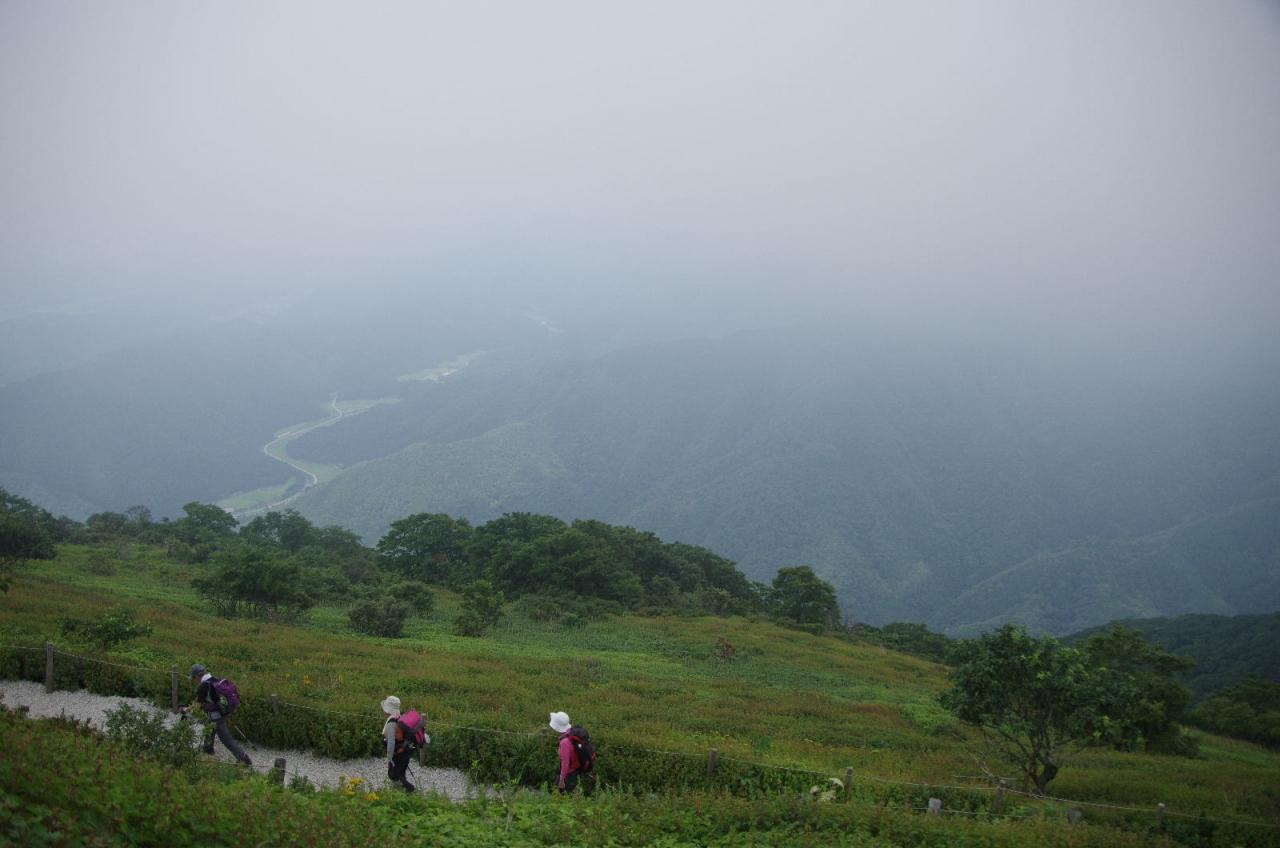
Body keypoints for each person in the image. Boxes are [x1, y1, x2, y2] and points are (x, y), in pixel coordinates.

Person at [184, 663, 252, 766]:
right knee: (210, 726)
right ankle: (208, 748)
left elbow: (198, 705)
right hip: (222, 710)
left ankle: (243, 759)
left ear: (197, 676)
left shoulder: (204, 686)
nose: (193, 680)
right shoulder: (214, 679)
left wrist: (187, 709)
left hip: (216, 715)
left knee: (225, 738)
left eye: (193, 678)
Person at [382, 695, 416, 792]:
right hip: (405, 750)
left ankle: (410, 790)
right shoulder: (400, 717)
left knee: (393, 775)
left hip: (398, 753)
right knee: (401, 772)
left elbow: (391, 742)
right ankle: (403, 792)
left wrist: (389, 758)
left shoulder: (391, 722)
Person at [549, 710, 587, 793]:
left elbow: (565, 763)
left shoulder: (564, 742)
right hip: (575, 769)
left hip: (569, 774)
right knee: (564, 793)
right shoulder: (571, 732)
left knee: (561, 794)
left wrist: (562, 780)